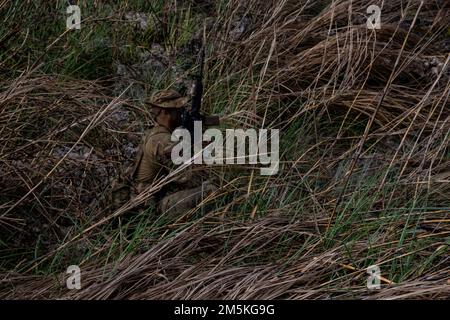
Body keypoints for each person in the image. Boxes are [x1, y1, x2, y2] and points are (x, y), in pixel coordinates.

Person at [127, 89, 216, 217]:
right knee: (210, 190)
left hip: (150, 198)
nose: (182, 113)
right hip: (150, 210)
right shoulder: (163, 142)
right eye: (179, 110)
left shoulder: (153, 133)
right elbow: (192, 179)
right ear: (165, 112)